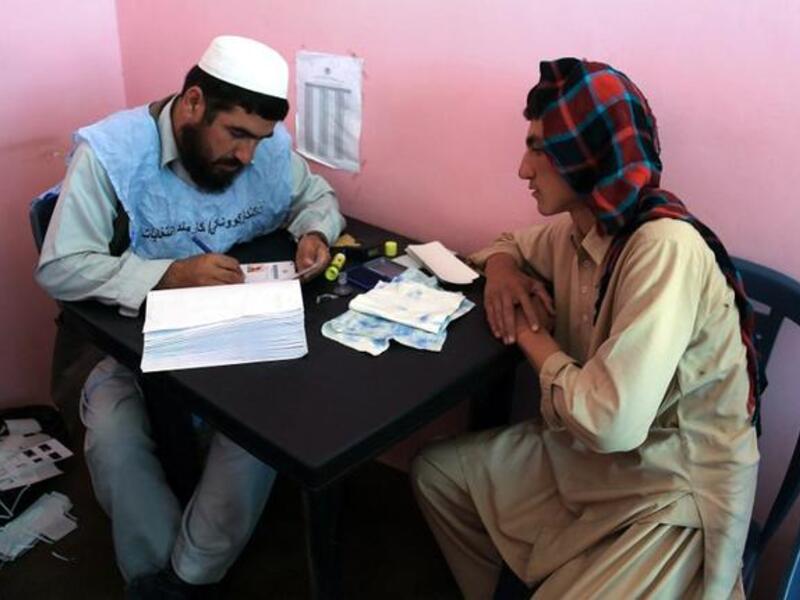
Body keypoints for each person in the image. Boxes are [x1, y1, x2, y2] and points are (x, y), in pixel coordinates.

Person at [412, 58, 762, 599]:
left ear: (588, 156)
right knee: (439, 475)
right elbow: (501, 246)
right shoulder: (580, 233)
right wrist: (504, 272)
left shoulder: (662, 248)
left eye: (541, 151)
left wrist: (531, 332)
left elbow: (612, 426)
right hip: (593, 462)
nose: (523, 170)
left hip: (670, 486)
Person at [35, 35, 345, 597]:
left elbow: (315, 197)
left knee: (262, 431)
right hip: (129, 344)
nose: (248, 156)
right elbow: (61, 267)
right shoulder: (112, 154)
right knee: (113, 435)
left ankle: (186, 577)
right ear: (195, 103)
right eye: (237, 135)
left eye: (260, 140)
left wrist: (315, 232)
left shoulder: (265, 148)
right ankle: (156, 576)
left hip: (238, 336)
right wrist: (166, 275)